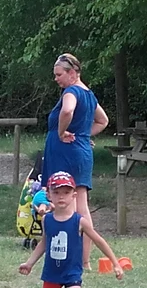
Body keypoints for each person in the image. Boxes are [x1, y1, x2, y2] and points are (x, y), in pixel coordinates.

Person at [18, 171, 123, 288]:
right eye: (57, 192)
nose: (61, 197)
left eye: (66, 193)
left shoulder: (79, 221)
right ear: (49, 195)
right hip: (51, 273)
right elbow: (44, 243)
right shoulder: (47, 220)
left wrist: (115, 263)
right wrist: (29, 263)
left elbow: (99, 241)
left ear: (74, 195)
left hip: (72, 273)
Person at [44, 53, 110, 267]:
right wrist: (84, 135)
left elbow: (67, 111)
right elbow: (103, 120)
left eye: (59, 74)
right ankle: (84, 261)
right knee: (81, 205)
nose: (56, 79)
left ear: (72, 73)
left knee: (69, 204)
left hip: (66, 152)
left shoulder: (71, 92)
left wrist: (63, 132)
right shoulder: (89, 94)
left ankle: (70, 256)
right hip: (81, 151)